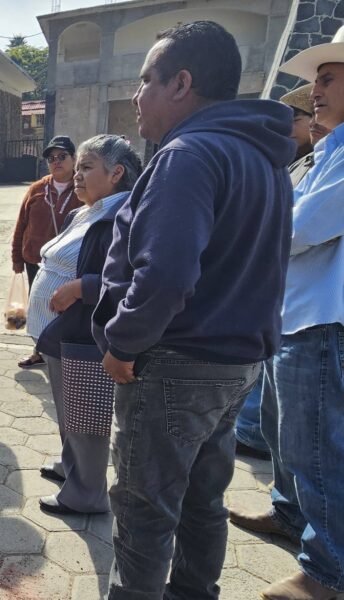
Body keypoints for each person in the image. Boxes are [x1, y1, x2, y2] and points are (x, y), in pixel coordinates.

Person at [90, 21, 295, 599]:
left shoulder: (189, 152)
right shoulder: (261, 157)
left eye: (146, 80)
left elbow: (168, 274)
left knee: (144, 514)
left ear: (182, 83)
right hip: (236, 364)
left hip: (175, 364)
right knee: (203, 502)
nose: (136, 95)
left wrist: (123, 342)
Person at [227, 29, 344, 600]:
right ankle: (290, 516)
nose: (315, 92)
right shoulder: (328, 152)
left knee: (317, 448)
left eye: (327, 79)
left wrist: (253, 231)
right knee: (285, 435)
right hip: (295, 314)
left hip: (323, 320)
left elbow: (301, 227)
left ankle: (327, 571)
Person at [31, 134, 142, 516]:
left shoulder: (124, 215)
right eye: (76, 166)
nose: (77, 175)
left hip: (84, 332)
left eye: (87, 166)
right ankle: (71, 466)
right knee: (68, 411)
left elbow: (132, 278)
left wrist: (82, 287)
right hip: (60, 331)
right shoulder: (88, 211)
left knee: (85, 417)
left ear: (117, 173)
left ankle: (87, 492)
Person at [233, 82, 319, 462]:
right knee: (269, 380)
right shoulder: (296, 162)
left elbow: (300, 228)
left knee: (311, 440)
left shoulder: (327, 161)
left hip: (309, 302)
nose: (288, 129)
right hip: (280, 290)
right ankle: (283, 500)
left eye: (295, 119)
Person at [11, 135, 82, 369]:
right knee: (40, 307)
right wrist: (17, 259)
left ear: (74, 159)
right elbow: (21, 224)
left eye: (62, 156)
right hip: (36, 262)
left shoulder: (83, 188)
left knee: (68, 309)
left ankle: (67, 355)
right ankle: (39, 351)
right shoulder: (37, 189)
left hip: (71, 264)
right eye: (51, 158)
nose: (56, 162)